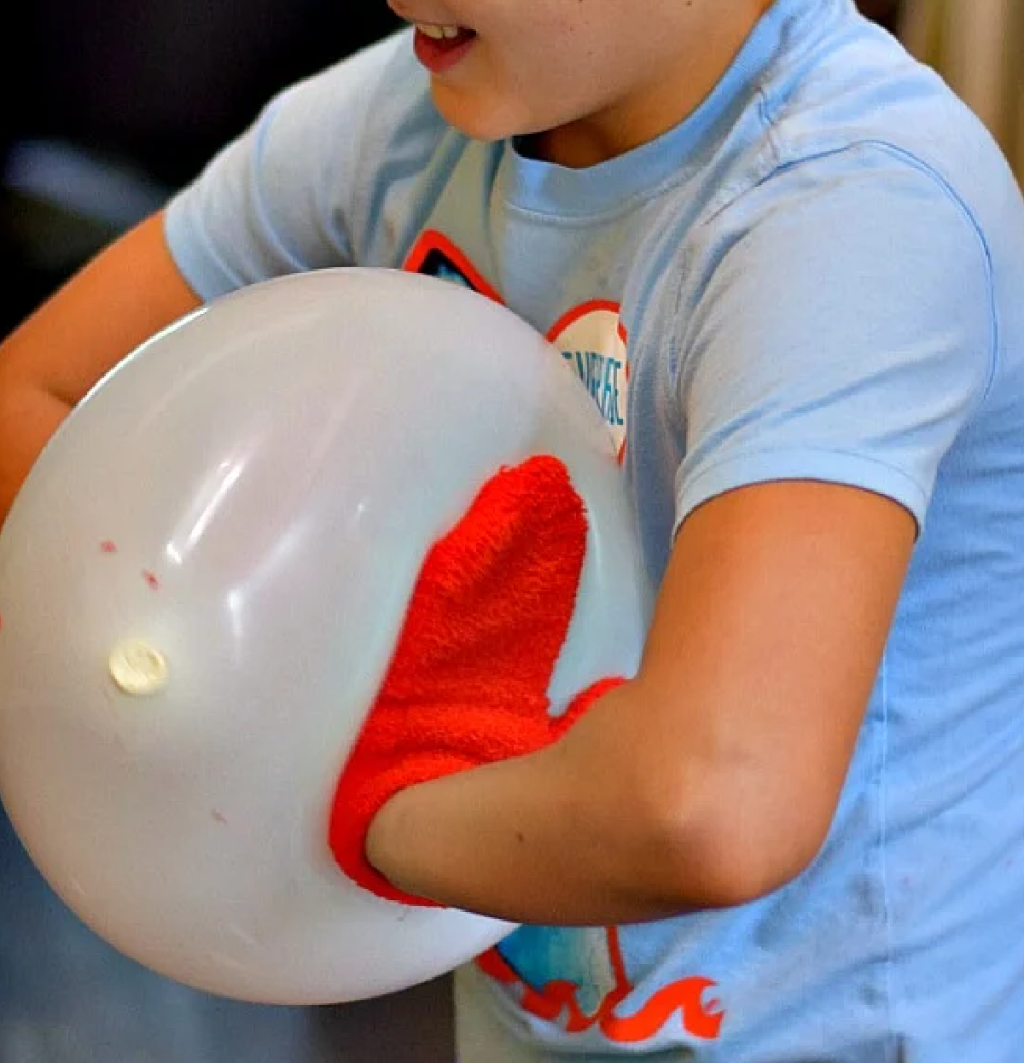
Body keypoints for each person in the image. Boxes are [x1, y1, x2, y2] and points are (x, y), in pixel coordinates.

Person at [2, 0, 1023, 1057]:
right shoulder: (410, 115)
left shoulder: (848, 202)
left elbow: (715, 805)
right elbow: (33, 393)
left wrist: (350, 808)